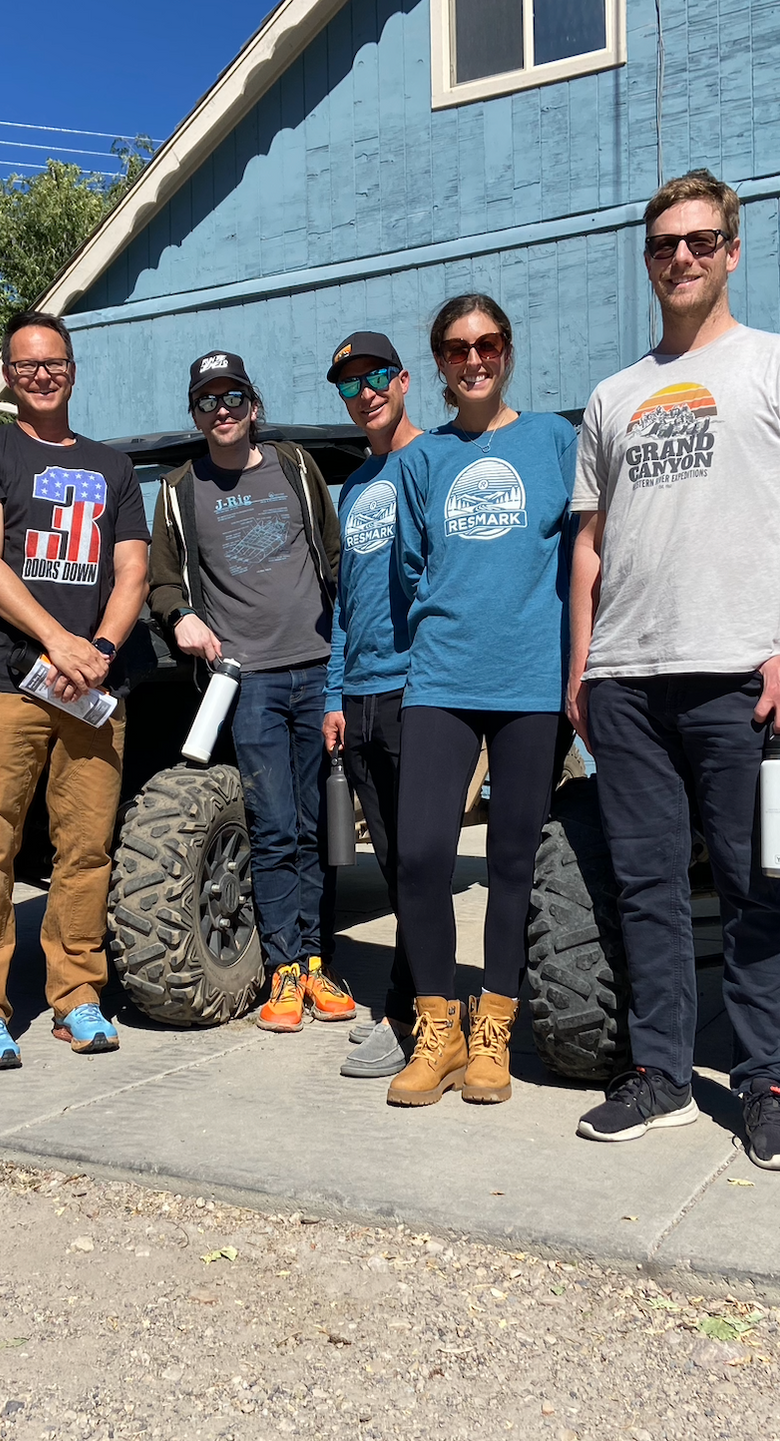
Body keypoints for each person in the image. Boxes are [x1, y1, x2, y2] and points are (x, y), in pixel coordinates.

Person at [566, 169, 780, 1170]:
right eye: (663, 245)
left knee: (754, 888)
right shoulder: (613, 397)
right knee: (648, 889)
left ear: (732, 250)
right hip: (628, 682)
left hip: (744, 674)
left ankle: (767, 1084)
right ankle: (662, 1076)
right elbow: (591, 549)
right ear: (648, 260)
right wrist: (583, 670)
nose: (681, 257)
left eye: (699, 241)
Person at [0, 309, 150, 1069]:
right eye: (25, 364)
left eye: (52, 361)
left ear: (72, 368)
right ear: (8, 374)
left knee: (87, 848)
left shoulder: (112, 466)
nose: (40, 373)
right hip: (5, 683)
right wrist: (55, 639)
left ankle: (77, 996)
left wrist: (97, 647)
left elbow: (131, 571)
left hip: (93, 688)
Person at [385, 295, 577, 1108]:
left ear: (508, 350)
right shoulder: (421, 459)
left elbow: (583, 555)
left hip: (532, 679)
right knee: (422, 855)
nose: (474, 359)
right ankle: (440, 1030)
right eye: (458, 348)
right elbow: (409, 571)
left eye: (488, 343)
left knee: (510, 861)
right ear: (438, 362)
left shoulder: (554, 441)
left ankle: (495, 1027)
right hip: (443, 678)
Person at [148, 350, 357, 1032]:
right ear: (196, 414)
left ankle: (318, 965)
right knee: (272, 829)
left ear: (253, 405)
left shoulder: (297, 467)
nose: (222, 410)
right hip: (251, 682)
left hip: (320, 669)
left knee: (316, 826)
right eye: (207, 400)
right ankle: (284, 972)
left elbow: (333, 555)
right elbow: (163, 582)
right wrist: (181, 618)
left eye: (232, 395)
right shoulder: (180, 490)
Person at [320, 331, 423, 1080]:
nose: (365, 392)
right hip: (356, 697)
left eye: (377, 376)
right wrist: (333, 694)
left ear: (404, 379)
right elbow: (347, 608)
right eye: (351, 384)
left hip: (416, 691)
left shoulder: (433, 460)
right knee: (391, 862)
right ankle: (409, 999)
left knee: (419, 861)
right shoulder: (353, 486)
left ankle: (409, 1010)